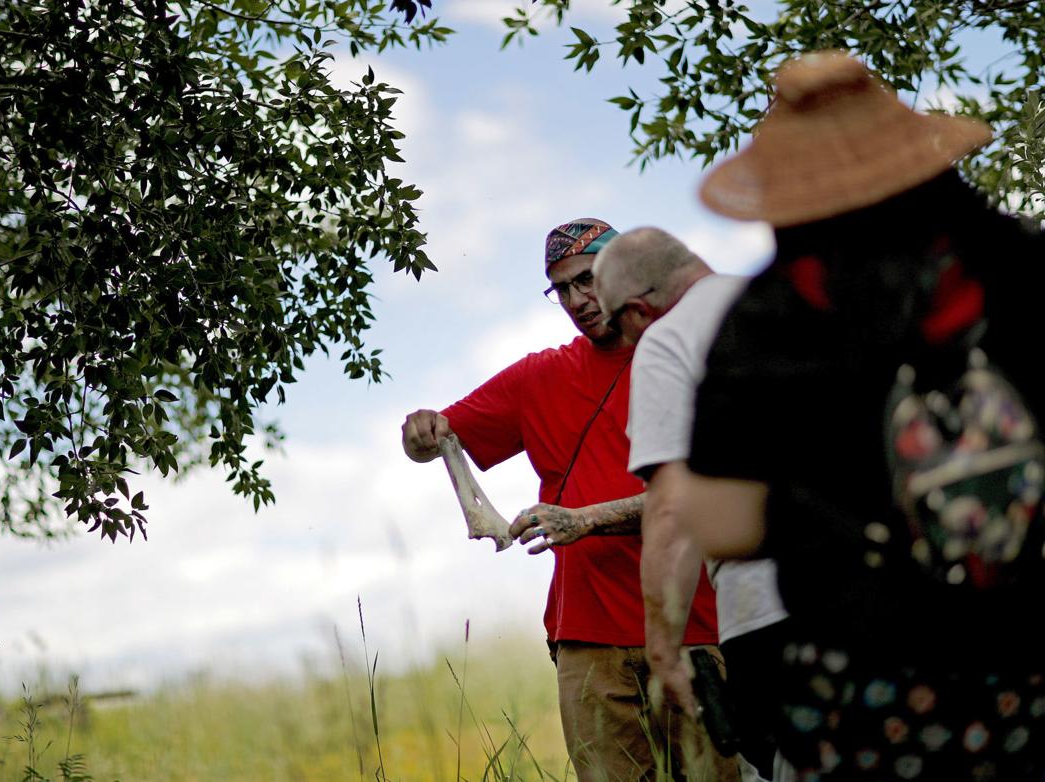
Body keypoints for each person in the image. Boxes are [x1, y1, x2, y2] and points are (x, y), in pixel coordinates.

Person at [680, 51, 1045, 780]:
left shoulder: (766, 320)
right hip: (1029, 675)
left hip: (864, 699)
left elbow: (722, 524)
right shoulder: (1020, 266)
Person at [401, 218, 721, 782]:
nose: (577, 299)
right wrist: (420, 431)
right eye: (561, 289)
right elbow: (437, 440)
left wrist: (586, 521)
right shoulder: (540, 376)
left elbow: (701, 495)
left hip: (695, 631)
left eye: (588, 279)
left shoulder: (686, 361)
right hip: (587, 640)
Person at [593, 227, 790, 781]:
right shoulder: (790, 302)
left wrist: (663, 651)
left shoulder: (667, 339)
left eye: (616, 323)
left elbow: (673, 508)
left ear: (637, 309)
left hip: (771, 613)